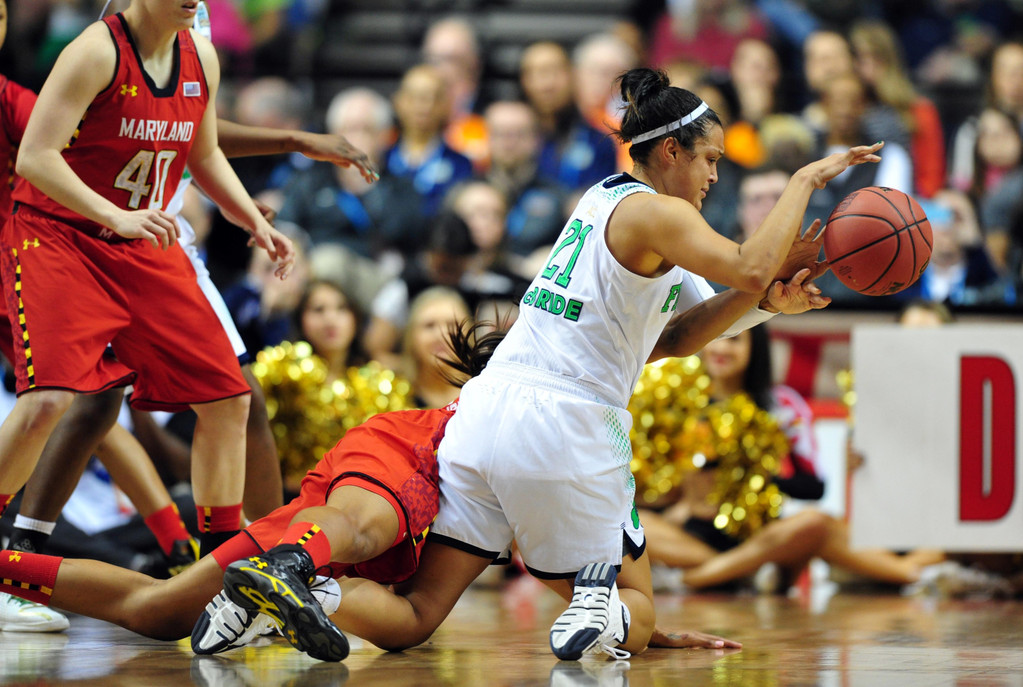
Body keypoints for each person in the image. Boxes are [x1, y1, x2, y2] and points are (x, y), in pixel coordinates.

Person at [283, 67, 881, 662]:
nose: (715, 175)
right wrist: (804, 180)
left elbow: (674, 337)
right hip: (566, 420)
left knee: (416, 615)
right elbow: (751, 266)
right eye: (710, 160)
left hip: (484, 418)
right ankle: (603, 605)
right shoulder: (661, 214)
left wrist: (769, 301)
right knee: (640, 610)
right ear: (671, 151)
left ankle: (311, 593)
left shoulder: (605, 198)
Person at [0, 325, 740, 661]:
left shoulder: (592, 468)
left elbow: (589, 573)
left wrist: (620, 619)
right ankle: (294, 570)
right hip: (404, 457)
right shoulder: (530, 419)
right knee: (373, 522)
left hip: (416, 518)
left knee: (156, 610)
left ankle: (295, 581)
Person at [0, 0, 294, 568]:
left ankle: (218, 572)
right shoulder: (93, 50)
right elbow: (37, 156)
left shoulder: (200, 55)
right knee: (52, 401)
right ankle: (21, 549)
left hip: (140, 241)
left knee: (228, 398)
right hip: (60, 238)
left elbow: (202, 152)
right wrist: (114, 215)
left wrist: (252, 220)